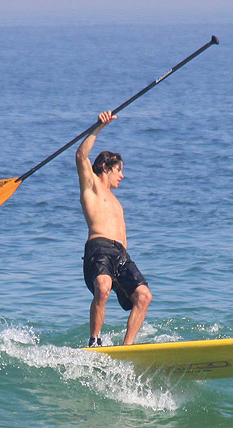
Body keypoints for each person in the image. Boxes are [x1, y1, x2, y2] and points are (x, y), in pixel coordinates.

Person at [76, 110, 153, 347]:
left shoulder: (115, 200)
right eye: (119, 169)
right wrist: (99, 126)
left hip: (121, 255)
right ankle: (95, 341)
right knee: (103, 286)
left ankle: (127, 348)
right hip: (99, 249)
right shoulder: (92, 187)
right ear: (105, 168)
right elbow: (81, 155)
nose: (123, 175)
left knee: (144, 296)